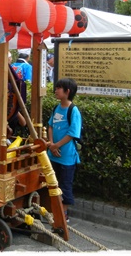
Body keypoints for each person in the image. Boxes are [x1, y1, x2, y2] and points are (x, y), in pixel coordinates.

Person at [47, 78, 82, 223]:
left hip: (66, 156)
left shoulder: (73, 110)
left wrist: (56, 145)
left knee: (65, 185)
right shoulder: (56, 108)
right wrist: (51, 144)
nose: (55, 90)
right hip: (53, 154)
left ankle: (64, 214)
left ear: (67, 92)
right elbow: (50, 126)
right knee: (51, 184)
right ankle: (53, 211)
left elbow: (73, 133)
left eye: (59, 88)